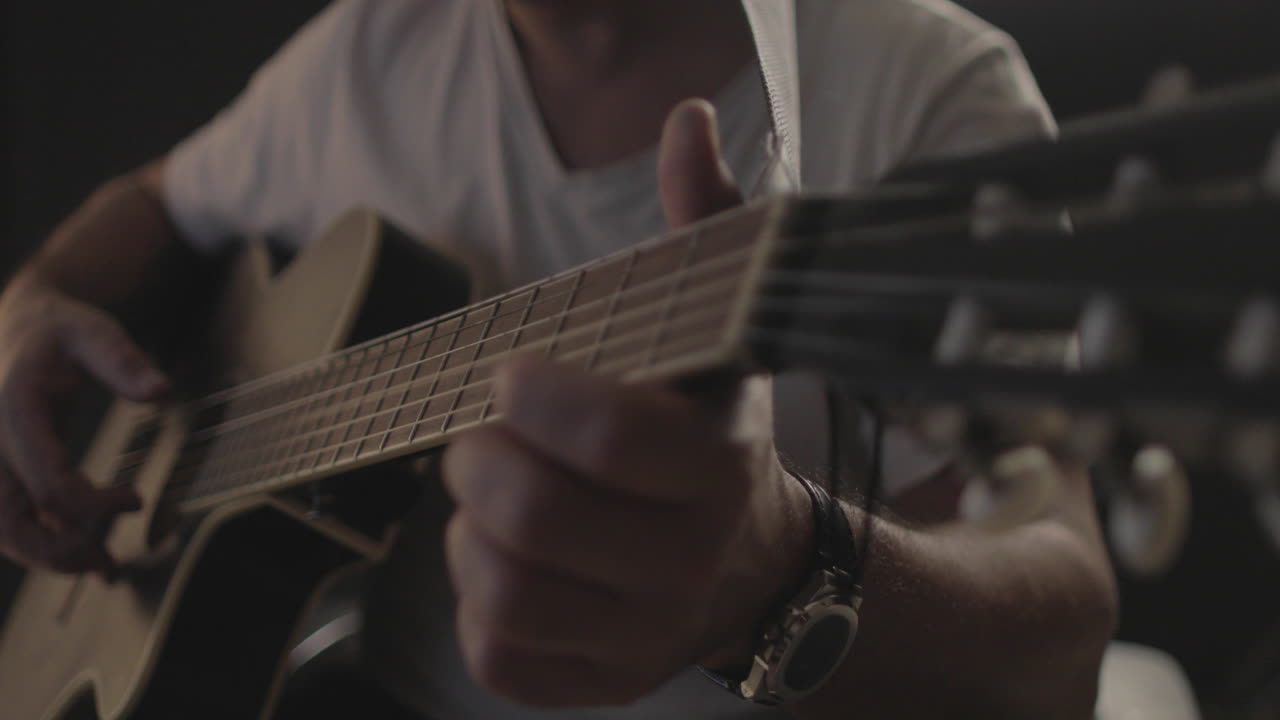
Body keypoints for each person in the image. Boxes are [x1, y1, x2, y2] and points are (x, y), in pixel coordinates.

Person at [0, 0, 1118, 717]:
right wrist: (37, 304)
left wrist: (782, 570)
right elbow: (160, 199)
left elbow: (1063, 648)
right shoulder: (374, 50)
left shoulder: (919, 87)